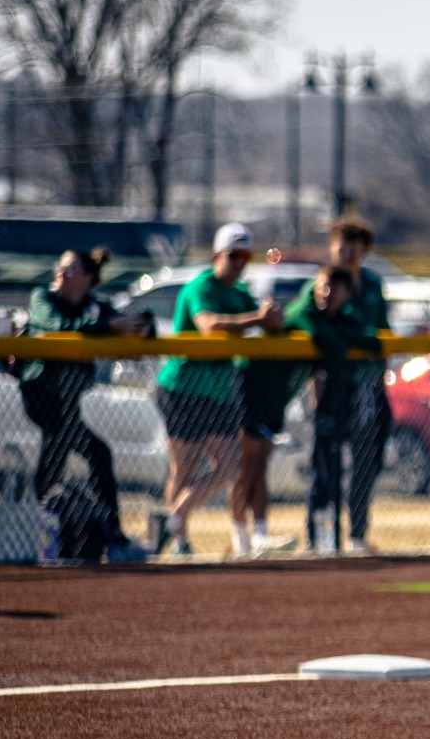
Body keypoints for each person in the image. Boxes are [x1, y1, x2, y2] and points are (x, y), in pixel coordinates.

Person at [151, 223, 282, 556]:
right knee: (185, 466)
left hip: (219, 393)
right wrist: (256, 318)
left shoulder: (239, 294)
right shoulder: (201, 287)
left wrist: (272, 316)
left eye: (244, 256)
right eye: (233, 255)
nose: (239, 262)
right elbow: (208, 326)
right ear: (216, 256)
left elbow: (269, 323)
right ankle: (179, 540)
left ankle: (173, 517)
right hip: (183, 388)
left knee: (232, 465)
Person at [18, 248, 156, 561]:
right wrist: (108, 327)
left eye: (71, 269)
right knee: (58, 440)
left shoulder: (96, 307)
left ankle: (111, 535)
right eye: (61, 267)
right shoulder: (44, 298)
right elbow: (56, 325)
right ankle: (32, 525)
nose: (62, 273)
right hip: (40, 392)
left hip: (69, 399)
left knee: (83, 451)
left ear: (88, 278)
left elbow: (125, 325)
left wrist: (139, 327)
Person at [301, 218, 392, 555]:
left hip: (365, 385)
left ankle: (356, 534)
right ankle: (318, 536)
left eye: (355, 247)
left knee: (366, 461)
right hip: (332, 383)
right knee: (324, 464)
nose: (348, 253)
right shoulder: (322, 284)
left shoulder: (371, 284)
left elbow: (381, 332)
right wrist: (314, 386)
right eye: (342, 246)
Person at [284, 265, 382, 554]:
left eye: (335, 288)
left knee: (341, 464)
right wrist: (349, 340)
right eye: (323, 286)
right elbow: (334, 346)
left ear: (347, 293)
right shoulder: (306, 309)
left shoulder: (345, 316)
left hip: (327, 394)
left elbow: (369, 339)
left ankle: (339, 538)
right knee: (321, 469)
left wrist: (349, 337)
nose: (326, 294)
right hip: (263, 389)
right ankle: (315, 539)